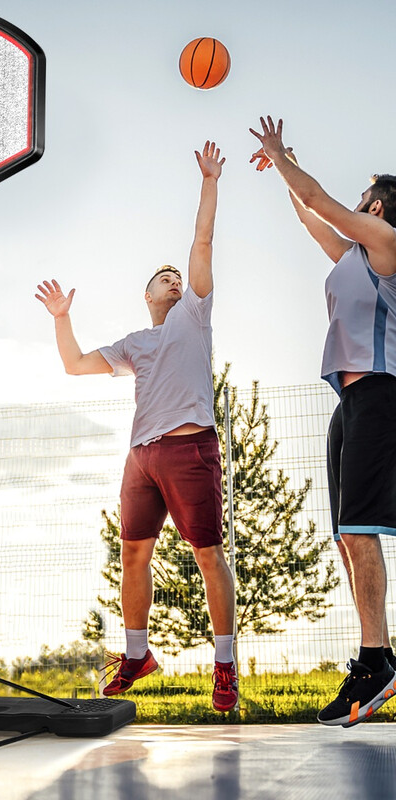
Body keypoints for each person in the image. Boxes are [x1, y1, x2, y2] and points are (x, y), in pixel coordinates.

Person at [35, 142, 237, 712]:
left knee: (206, 555)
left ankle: (224, 665)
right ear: (146, 295)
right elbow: (74, 365)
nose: (175, 278)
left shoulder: (195, 315)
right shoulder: (134, 344)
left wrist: (209, 181)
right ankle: (136, 655)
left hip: (188, 448)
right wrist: (63, 319)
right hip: (140, 459)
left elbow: (202, 241)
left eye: (178, 276)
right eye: (164, 277)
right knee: (133, 557)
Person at [250, 116, 396, 727]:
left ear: (379, 205)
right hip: (350, 401)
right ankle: (376, 656)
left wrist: (284, 156)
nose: (356, 204)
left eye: (363, 198)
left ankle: (376, 662)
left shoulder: (386, 242)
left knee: (361, 530)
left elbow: (321, 201)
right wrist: (285, 170)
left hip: (383, 397)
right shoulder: (351, 256)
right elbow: (311, 215)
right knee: (346, 533)